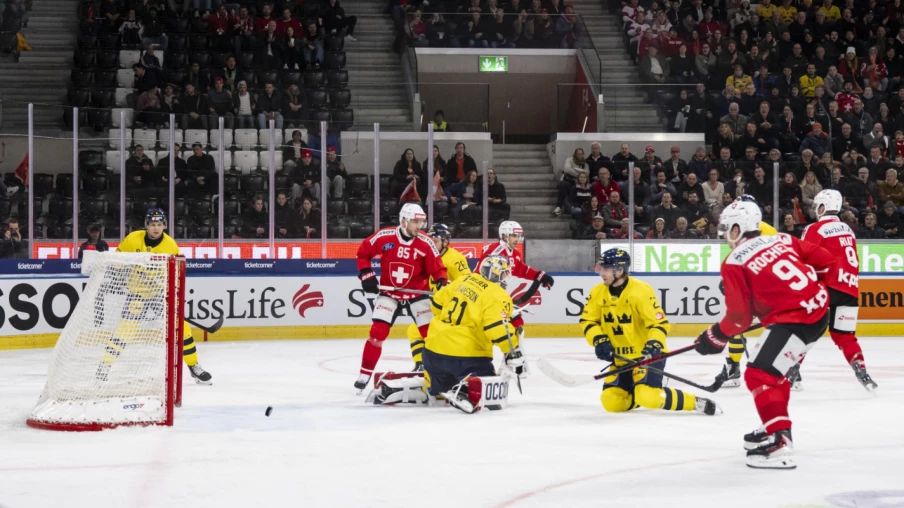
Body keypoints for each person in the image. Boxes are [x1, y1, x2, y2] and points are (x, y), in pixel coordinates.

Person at [695, 200, 834, 469]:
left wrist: (714, 337)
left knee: (759, 374)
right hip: (818, 312)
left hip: (795, 322)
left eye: (727, 228)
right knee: (774, 373)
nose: (724, 234)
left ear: (739, 227)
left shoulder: (734, 261)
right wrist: (807, 292)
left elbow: (739, 319)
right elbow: (826, 262)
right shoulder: (783, 239)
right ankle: (774, 424)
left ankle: (780, 442)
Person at [372, 255, 522, 413]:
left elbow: (436, 306)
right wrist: (511, 350)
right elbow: (497, 328)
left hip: (433, 354)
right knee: (489, 383)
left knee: (440, 391)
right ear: (496, 274)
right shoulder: (498, 295)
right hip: (466, 357)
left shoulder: (463, 280)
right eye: (505, 274)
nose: (506, 277)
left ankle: (397, 390)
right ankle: (465, 390)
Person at [581, 248, 721, 415]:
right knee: (611, 402)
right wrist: (599, 339)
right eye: (600, 268)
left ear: (619, 270)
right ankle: (639, 392)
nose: (601, 273)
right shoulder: (597, 292)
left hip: (647, 355)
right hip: (621, 358)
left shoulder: (640, 291)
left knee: (648, 397)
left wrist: (654, 343)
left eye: (605, 269)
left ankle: (695, 402)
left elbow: (659, 323)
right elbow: (588, 320)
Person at [111, 209, 212, 383]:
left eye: (159, 225)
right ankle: (104, 366)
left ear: (164, 226)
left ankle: (193, 366)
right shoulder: (133, 239)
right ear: (146, 226)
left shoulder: (170, 245)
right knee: (125, 330)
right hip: (138, 294)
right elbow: (117, 261)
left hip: (160, 294)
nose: (156, 228)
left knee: (182, 329)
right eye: (152, 225)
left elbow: (177, 273)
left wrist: (172, 293)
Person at [354, 203, 448, 390]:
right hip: (390, 292)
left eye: (421, 221)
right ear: (403, 220)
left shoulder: (426, 242)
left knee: (430, 335)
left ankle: (439, 373)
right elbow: (363, 253)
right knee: (377, 333)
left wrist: (441, 281)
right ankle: (364, 374)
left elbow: (437, 268)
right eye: (415, 221)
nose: (419, 226)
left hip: (417, 293)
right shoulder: (385, 236)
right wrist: (367, 275)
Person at [799, 190, 877, 390]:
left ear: (822, 207)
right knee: (845, 335)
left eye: (817, 206)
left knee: (803, 331)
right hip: (850, 289)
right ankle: (862, 370)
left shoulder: (814, 229)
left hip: (826, 286)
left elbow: (804, 260)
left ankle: (792, 372)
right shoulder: (848, 229)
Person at [405, 223, 471, 371]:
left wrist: (450, 288)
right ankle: (421, 365)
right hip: (434, 305)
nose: (431, 244)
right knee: (414, 330)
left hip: (451, 308)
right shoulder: (426, 256)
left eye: (435, 241)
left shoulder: (456, 258)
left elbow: (468, 283)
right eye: (430, 240)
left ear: (445, 242)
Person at [480, 220, 554, 306]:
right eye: (514, 235)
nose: (517, 239)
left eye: (518, 236)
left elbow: (520, 269)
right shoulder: (494, 251)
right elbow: (481, 273)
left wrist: (538, 275)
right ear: (504, 236)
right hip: (485, 296)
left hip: (497, 295)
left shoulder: (515, 253)